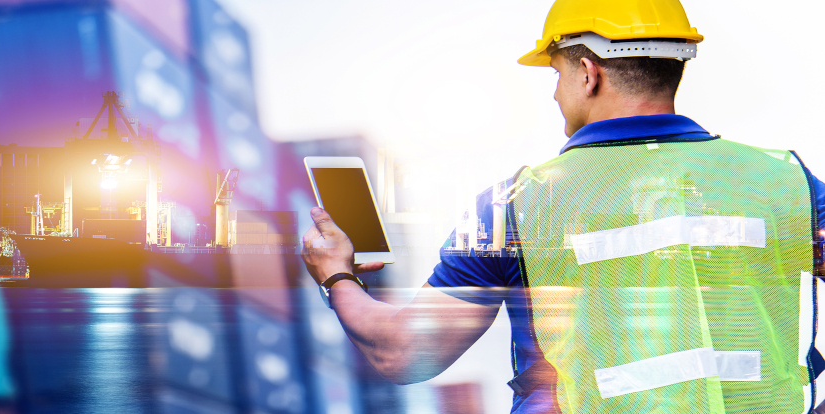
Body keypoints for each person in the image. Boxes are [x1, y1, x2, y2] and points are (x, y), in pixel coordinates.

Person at [302, 0, 825, 412]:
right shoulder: (787, 181)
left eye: (555, 74)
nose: (555, 95)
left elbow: (403, 353)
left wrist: (337, 277)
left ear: (587, 72)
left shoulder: (515, 205)